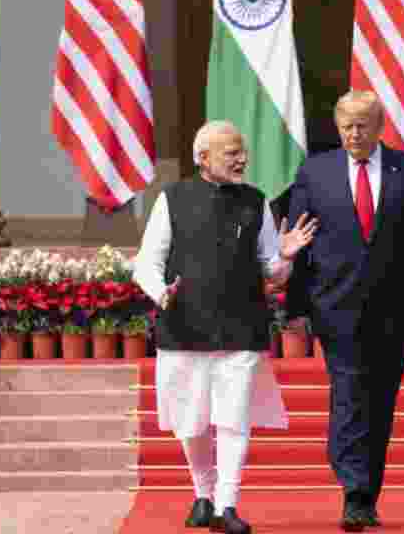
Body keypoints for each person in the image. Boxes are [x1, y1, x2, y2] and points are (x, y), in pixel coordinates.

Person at [133, 120, 318, 534]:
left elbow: (271, 269)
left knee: (234, 418)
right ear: (203, 158)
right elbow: (146, 261)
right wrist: (160, 291)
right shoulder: (172, 199)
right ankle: (202, 493)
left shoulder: (256, 201)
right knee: (191, 419)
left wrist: (285, 256)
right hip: (184, 327)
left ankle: (227, 505)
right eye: (231, 152)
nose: (242, 159)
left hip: (242, 327)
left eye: (242, 151)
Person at [284, 90, 404, 531]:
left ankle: (366, 490)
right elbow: (299, 242)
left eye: (362, 125)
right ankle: (353, 488)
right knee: (350, 389)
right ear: (337, 127)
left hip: (393, 306)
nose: (354, 133)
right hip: (334, 304)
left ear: (380, 126)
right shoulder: (314, 172)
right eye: (346, 126)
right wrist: (295, 307)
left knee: (380, 401)